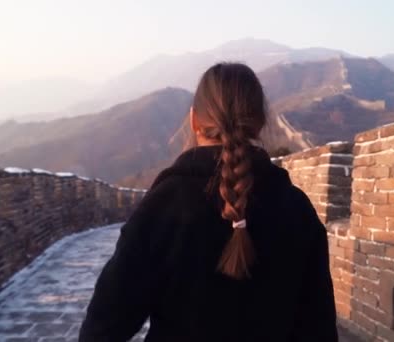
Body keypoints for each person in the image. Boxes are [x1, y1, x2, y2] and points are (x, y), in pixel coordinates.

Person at [79, 63, 338, 341]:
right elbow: (319, 329)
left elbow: (103, 328)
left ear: (194, 121)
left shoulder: (163, 207)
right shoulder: (296, 208)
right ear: (260, 123)